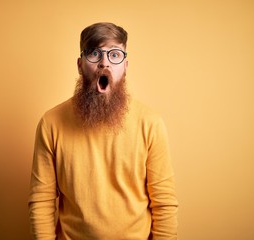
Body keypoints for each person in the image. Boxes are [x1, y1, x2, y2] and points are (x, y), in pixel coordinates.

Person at [28, 22, 178, 240]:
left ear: (125, 66)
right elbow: (41, 201)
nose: (104, 63)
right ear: (80, 65)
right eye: (94, 53)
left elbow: (164, 203)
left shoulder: (150, 123)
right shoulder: (51, 123)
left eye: (114, 54)